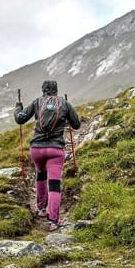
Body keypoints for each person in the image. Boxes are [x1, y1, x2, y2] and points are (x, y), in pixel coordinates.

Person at [14, 80, 81, 231]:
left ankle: (41, 209)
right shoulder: (64, 103)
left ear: (43, 90)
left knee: (41, 175)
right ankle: (53, 221)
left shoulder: (37, 102)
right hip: (55, 149)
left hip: (37, 148)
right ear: (56, 90)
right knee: (54, 184)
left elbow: (20, 118)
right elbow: (76, 124)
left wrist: (18, 107)